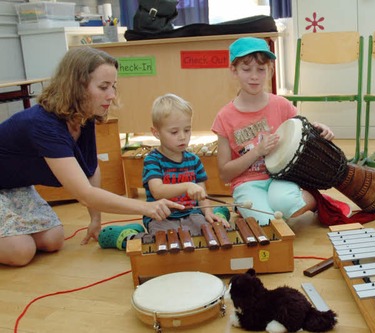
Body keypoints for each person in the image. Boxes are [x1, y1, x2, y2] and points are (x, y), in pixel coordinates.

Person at [0, 47, 184, 267]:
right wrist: (146, 207)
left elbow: (91, 168)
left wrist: (95, 219)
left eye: (113, 86)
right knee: (22, 251)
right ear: (76, 86)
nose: (112, 95)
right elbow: (85, 193)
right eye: (103, 87)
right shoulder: (43, 125)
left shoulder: (84, 116)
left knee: (53, 240)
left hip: (14, 187)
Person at [211, 37, 350, 226]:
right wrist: (257, 152)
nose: (254, 76)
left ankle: (316, 200)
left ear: (270, 70)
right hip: (246, 183)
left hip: (280, 176)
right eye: (246, 69)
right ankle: (247, 208)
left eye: (261, 69)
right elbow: (225, 174)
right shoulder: (224, 117)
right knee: (269, 224)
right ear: (233, 70)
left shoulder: (281, 105)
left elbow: (302, 132)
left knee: (285, 204)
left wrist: (319, 129)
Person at [98, 94, 230, 250]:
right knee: (161, 245)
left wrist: (207, 212)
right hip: (161, 217)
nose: (182, 137)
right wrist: (187, 186)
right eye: (174, 132)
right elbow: (158, 191)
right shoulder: (153, 160)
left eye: (187, 130)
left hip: (192, 215)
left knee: (209, 237)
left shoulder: (194, 160)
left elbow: (202, 193)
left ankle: (216, 214)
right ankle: (128, 235)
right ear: (156, 133)